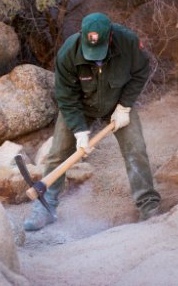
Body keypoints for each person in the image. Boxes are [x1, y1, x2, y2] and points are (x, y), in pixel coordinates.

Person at [24, 12, 161, 231]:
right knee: (58, 152)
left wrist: (124, 106)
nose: (94, 55)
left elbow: (141, 72)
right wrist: (79, 131)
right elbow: (66, 97)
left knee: (136, 149)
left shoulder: (128, 43)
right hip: (80, 106)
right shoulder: (68, 52)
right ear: (82, 35)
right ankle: (46, 207)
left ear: (110, 37)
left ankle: (148, 204)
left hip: (117, 103)